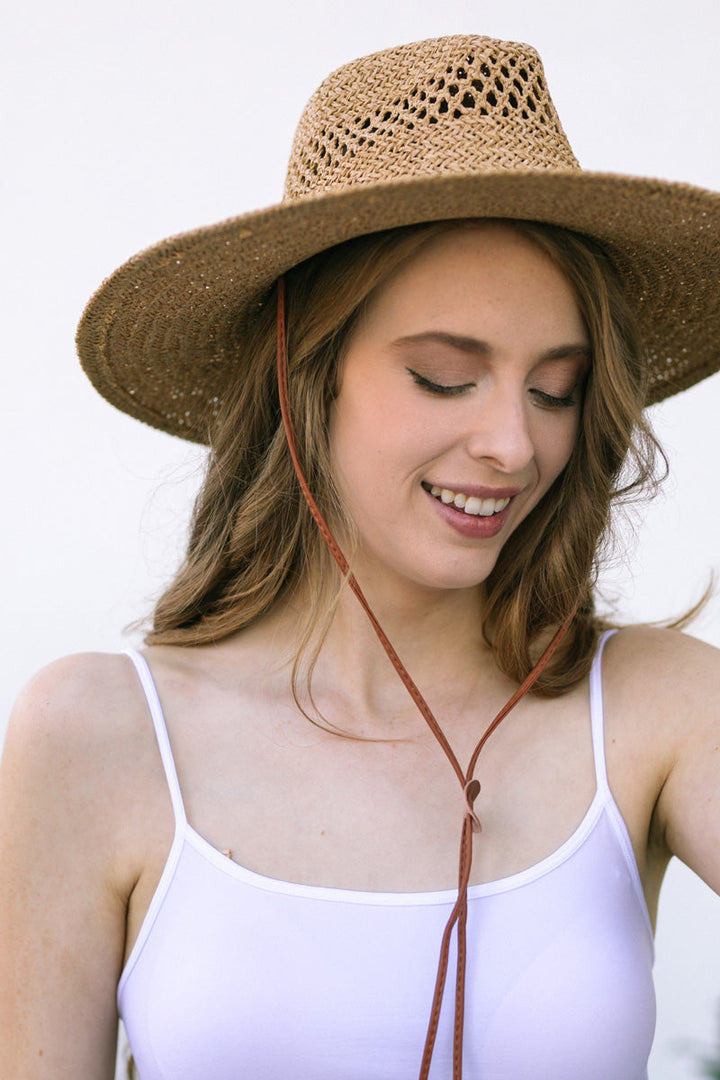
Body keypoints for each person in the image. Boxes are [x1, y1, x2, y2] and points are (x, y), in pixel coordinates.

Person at [1, 33, 719, 1080]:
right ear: (307, 377)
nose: (515, 446)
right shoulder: (98, 738)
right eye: (442, 377)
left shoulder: (656, 709)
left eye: (554, 388)